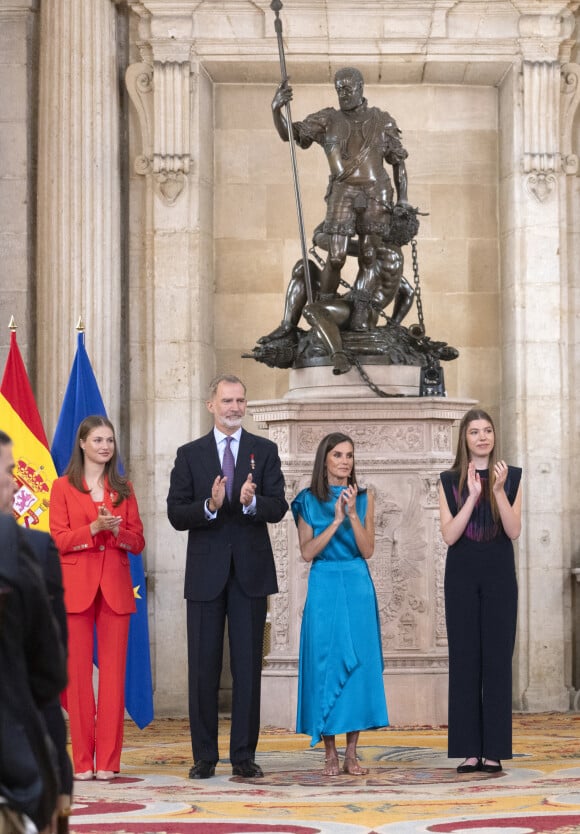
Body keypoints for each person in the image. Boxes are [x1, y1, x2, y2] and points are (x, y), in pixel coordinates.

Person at [167, 374, 288, 780]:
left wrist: (253, 504)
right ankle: (204, 756)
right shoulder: (190, 454)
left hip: (250, 575)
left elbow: (279, 505)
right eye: (226, 400)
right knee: (202, 667)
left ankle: (243, 756)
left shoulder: (264, 450)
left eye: (240, 400)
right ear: (211, 405)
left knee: (247, 667)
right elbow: (176, 513)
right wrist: (210, 504)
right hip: (205, 575)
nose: (234, 407)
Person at [49, 416, 145, 782]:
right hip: (76, 590)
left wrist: (118, 533)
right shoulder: (62, 488)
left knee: (112, 678)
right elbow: (57, 540)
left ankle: (107, 760)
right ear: (83, 444)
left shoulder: (125, 489)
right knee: (76, 678)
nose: (105, 446)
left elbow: (138, 542)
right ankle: (82, 761)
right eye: (98, 440)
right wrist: (92, 529)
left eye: (110, 440)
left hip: (116, 590)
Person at [291, 432, 388, 776]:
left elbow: (367, 550)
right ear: (325, 460)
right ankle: (329, 751)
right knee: (326, 664)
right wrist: (334, 521)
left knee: (359, 669)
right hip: (325, 584)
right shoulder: (305, 500)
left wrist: (352, 515)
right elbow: (307, 552)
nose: (345, 461)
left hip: (357, 582)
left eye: (349, 455)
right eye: (338, 455)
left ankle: (351, 753)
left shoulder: (364, 496)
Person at [272, 66, 411, 297]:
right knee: (336, 256)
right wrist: (276, 110)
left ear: (360, 88)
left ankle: (361, 310)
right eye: (339, 90)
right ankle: (324, 307)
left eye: (347, 89)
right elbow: (289, 134)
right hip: (342, 190)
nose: (343, 94)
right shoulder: (328, 119)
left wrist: (403, 199)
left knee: (369, 254)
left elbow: (398, 161)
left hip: (377, 192)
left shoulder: (382, 121)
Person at [439, 408, 522, 775]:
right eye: (475, 431)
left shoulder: (512, 477)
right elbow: (450, 535)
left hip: (500, 576)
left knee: (497, 662)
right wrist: (472, 496)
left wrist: (497, 491)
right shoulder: (448, 480)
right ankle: (469, 750)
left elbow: (514, 530)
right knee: (465, 661)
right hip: (461, 577)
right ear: (465, 438)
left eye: (488, 430)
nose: (483, 437)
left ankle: (495, 751)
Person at [0, 431, 73, 833]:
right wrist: (59, 779)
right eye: (9, 471)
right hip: (14, 774)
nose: (15, 482)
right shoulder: (20, 546)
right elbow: (48, 676)